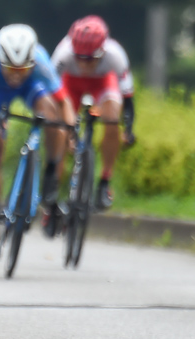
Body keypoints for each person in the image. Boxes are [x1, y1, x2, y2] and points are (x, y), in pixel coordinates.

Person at [0, 24, 73, 256]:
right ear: (0, 60)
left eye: (22, 69)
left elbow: (63, 102)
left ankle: (50, 173)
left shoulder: (41, 60)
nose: (15, 75)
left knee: (52, 116)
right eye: (10, 68)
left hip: (30, 88)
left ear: (31, 62)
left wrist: (70, 131)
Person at [50, 15, 135, 210]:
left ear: (102, 51)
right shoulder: (63, 53)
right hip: (71, 83)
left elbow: (128, 99)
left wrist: (128, 129)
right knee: (60, 132)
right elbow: (51, 93)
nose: (84, 65)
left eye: (90, 59)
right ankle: (53, 188)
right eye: (79, 58)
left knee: (113, 120)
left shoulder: (115, 55)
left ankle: (105, 181)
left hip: (102, 83)